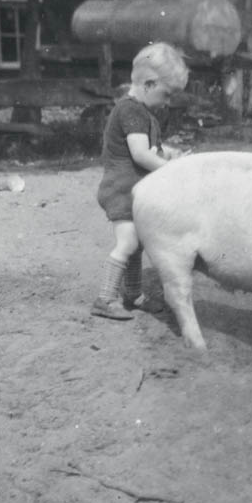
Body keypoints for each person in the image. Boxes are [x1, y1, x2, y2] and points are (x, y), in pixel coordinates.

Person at [91, 42, 189, 320]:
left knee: (137, 245)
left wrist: (170, 153)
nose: (167, 102)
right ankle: (105, 299)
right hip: (122, 189)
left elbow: (152, 149)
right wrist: (170, 169)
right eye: (166, 95)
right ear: (148, 84)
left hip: (132, 189)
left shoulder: (141, 112)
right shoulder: (131, 110)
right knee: (128, 244)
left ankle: (132, 294)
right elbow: (141, 154)